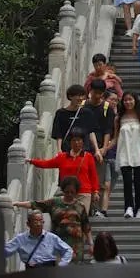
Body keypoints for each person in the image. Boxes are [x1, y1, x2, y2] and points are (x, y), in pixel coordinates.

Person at [14, 176, 91, 263]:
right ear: (63, 190)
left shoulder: (80, 206)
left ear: (76, 192)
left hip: (76, 246)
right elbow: (35, 204)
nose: (69, 194)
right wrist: (17, 204)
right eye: (67, 192)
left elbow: (86, 227)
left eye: (72, 192)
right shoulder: (54, 202)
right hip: (58, 243)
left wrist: (91, 244)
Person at [28, 129, 99, 214]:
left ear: (83, 142)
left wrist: (95, 192)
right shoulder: (62, 157)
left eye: (79, 140)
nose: (76, 143)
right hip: (67, 193)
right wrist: (31, 161)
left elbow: (93, 176)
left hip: (83, 193)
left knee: (80, 219)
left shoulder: (88, 157)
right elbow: (46, 164)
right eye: (74, 140)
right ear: (70, 142)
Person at [73, 81, 114, 213]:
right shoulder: (83, 106)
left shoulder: (107, 107)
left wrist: (104, 148)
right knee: (85, 179)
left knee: (99, 180)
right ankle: (86, 208)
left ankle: (96, 209)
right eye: (94, 92)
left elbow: (108, 130)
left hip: (100, 147)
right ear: (90, 91)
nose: (97, 95)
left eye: (100, 93)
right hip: (84, 147)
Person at [112, 92, 140, 219]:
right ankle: (128, 207)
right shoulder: (119, 118)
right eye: (125, 100)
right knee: (127, 182)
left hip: (139, 153)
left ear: (135, 100)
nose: (128, 102)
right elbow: (115, 138)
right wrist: (104, 148)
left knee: (138, 182)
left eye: (130, 99)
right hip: (124, 153)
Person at [4, 210, 73, 267]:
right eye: (35, 221)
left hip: (49, 271)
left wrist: (62, 265)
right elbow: (4, 251)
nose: (39, 224)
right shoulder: (21, 238)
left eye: (41, 221)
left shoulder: (51, 237)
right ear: (28, 224)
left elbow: (68, 250)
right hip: (31, 272)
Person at [50, 84, 86, 153]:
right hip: (67, 150)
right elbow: (58, 134)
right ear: (70, 96)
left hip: (82, 151)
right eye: (78, 95)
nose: (81, 98)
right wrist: (59, 149)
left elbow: (90, 132)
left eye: (82, 95)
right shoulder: (60, 113)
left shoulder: (86, 113)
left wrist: (96, 149)